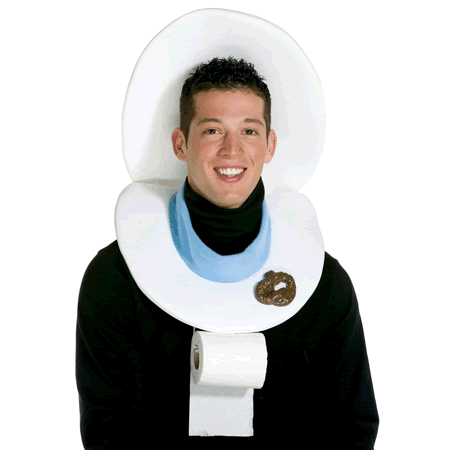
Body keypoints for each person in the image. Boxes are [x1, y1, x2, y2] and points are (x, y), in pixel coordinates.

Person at [76, 10, 379, 449]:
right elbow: (109, 432)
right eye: (213, 130)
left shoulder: (323, 283)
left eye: (249, 131)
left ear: (270, 145)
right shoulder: (116, 278)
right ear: (180, 143)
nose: (232, 149)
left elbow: (352, 427)